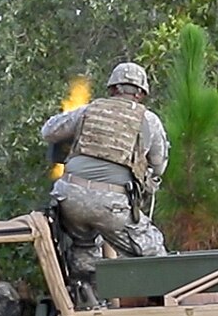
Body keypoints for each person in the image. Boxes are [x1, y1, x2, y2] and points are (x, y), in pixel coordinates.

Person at [41, 62, 169, 295]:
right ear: (141, 93)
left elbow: (48, 132)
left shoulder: (87, 111)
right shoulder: (148, 120)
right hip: (112, 204)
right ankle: (163, 310)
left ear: (112, 89)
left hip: (69, 198)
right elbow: (159, 165)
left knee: (84, 248)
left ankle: (90, 301)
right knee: (154, 254)